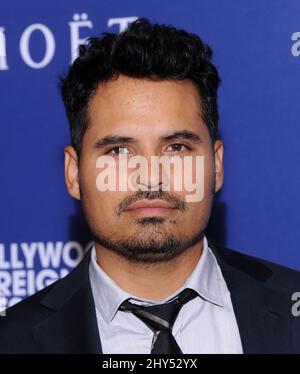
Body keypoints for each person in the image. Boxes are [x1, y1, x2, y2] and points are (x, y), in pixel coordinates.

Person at [0, 17, 299, 354]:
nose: (151, 176)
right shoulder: (12, 341)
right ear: (73, 173)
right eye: (118, 151)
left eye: (177, 148)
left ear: (215, 165)